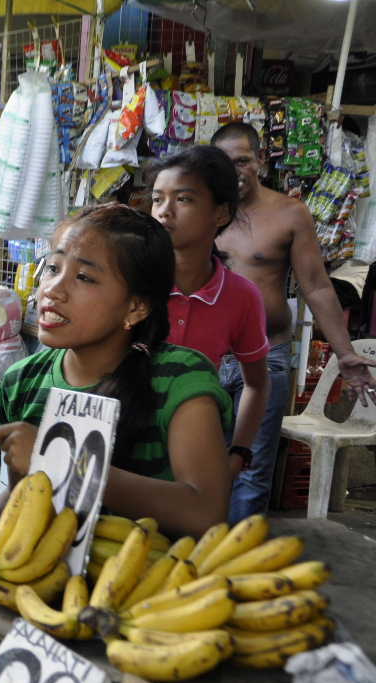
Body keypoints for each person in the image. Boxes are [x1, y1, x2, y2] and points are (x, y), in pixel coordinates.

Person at [0, 204, 234, 538]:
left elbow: (206, 513)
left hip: (154, 580)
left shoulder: (181, 379)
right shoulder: (21, 383)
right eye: (52, 267)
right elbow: (22, 504)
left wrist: (67, 463)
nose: (53, 290)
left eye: (84, 277)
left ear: (136, 307)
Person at [213, 122, 376, 520]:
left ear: (260, 161)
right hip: (207, 357)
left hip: (268, 357)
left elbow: (317, 287)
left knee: (251, 469)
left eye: (242, 161)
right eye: (223, 162)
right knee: (199, 462)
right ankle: (200, 556)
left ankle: (240, 562)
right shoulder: (202, 211)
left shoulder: (289, 213)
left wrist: (346, 354)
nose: (234, 170)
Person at [150, 146, 271, 492]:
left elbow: (257, 384)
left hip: (195, 463)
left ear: (220, 214)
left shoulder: (241, 296)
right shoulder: (131, 282)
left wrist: (238, 455)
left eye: (183, 200)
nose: (164, 212)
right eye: (158, 199)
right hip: (121, 456)